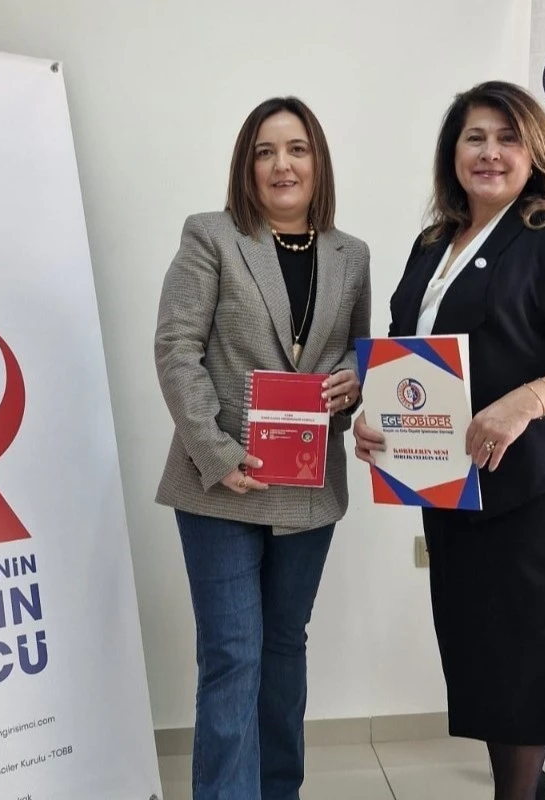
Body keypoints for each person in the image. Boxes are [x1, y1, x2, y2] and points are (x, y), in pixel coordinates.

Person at [353, 80, 545, 800]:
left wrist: (523, 404)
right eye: (475, 137)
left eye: (507, 138)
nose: (490, 152)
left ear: (535, 153)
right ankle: (529, 788)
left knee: (524, 644)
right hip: (445, 477)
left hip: (529, 480)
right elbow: (405, 352)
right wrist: (377, 418)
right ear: (453, 153)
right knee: (478, 641)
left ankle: (517, 794)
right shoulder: (432, 245)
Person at [153, 96, 371, 800]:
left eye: (297, 149)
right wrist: (216, 452)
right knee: (232, 654)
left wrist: (354, 381)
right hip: (222, 483)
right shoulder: (211, 236)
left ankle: (280, 790)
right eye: (265, 151)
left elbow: (359, 352)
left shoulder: (351, 254)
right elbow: (177, 349)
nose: (282, 165)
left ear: (318, 162)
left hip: (308, 487)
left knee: (283, 649)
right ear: (246, 166)